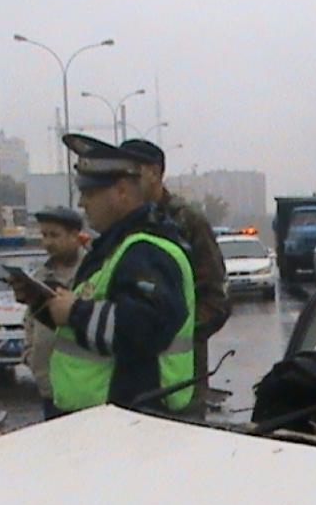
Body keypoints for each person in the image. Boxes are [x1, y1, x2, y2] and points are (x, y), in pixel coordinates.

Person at [37, 134, 194, 415]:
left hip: (129, 420)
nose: (82, 203)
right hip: (108, 418)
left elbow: (144, 328)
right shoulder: (118, 247)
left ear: (121, 191)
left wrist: (74, 312)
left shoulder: (145, 251)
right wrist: (50, 306)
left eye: (90, 193)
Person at [117, 139, 229, 417]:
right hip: (129, 375)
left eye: (133, 173)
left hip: (180, 376)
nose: (123, 181)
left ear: (155, 173)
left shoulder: (187, 221)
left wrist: (174, 332)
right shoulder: (121, 223)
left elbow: (216, 298)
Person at [17, 206, 87, 420]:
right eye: (44, 235)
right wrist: (30, 354)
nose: (48, 242)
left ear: (75, 236)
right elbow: (30, 320)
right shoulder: (40, 276)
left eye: (54, 235)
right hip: (49, 387)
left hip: (84, 388)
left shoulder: (91, 271)